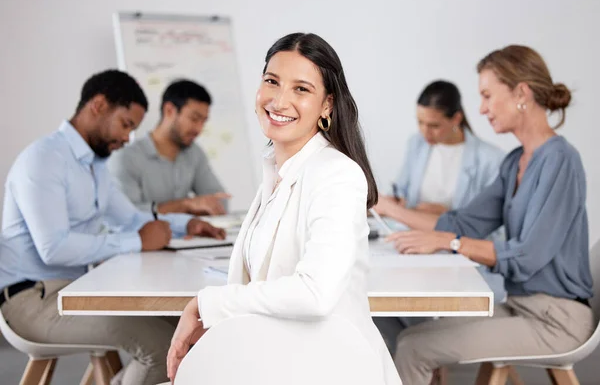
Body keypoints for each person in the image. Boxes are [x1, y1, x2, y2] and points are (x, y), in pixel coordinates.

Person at [165, 33, 402, 384]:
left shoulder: (336, 173)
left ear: (327, 105)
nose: (279, 100)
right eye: (272, 82)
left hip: (328, 369)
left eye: (301, 89)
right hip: (277, 362)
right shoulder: (276, 173)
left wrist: (206, 305)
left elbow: (314, 293)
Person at [0, 70, 224, 385]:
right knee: (164, 348)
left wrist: (185, 223)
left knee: (191, 327)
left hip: (78, 291)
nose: (127, 138)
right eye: (126, 124)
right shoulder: (43, 159)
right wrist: (135, 241)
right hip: (31, 302)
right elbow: (53, 248)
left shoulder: (95, 166)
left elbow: (131, 218)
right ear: (99, 105)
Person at [386, 45, 594, 385]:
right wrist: (392, 209)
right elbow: (462, 222)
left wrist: (451, 243)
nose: (480, 109)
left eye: (486, 96)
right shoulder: (515, 162)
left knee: (415, 349)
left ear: (521, 93)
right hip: (520, 306)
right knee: (409, 338)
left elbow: (528, 256)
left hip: (556, 320)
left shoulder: (561, 160)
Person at [372, 81, 506, 353]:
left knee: (412, 307)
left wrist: (441, 212)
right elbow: (403, 192)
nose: (425, 132)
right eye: (420, 122)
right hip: (416, 245)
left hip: (459, 255)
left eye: (433, 125)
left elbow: (490, 226)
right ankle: (414, 359)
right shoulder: (417, 145)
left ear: (456, 118)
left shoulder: (491, 159)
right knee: (374, 301)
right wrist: (399, 203)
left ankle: (418, 357)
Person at [108, 79, 230, 216]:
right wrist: (186, 205)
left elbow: (220, 201)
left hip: (189, 236)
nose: (199, 129)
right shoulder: (126, 157)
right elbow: (125, 215)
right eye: (194, 119)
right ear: (169, 110)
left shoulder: (194, 153)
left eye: (203, 121)